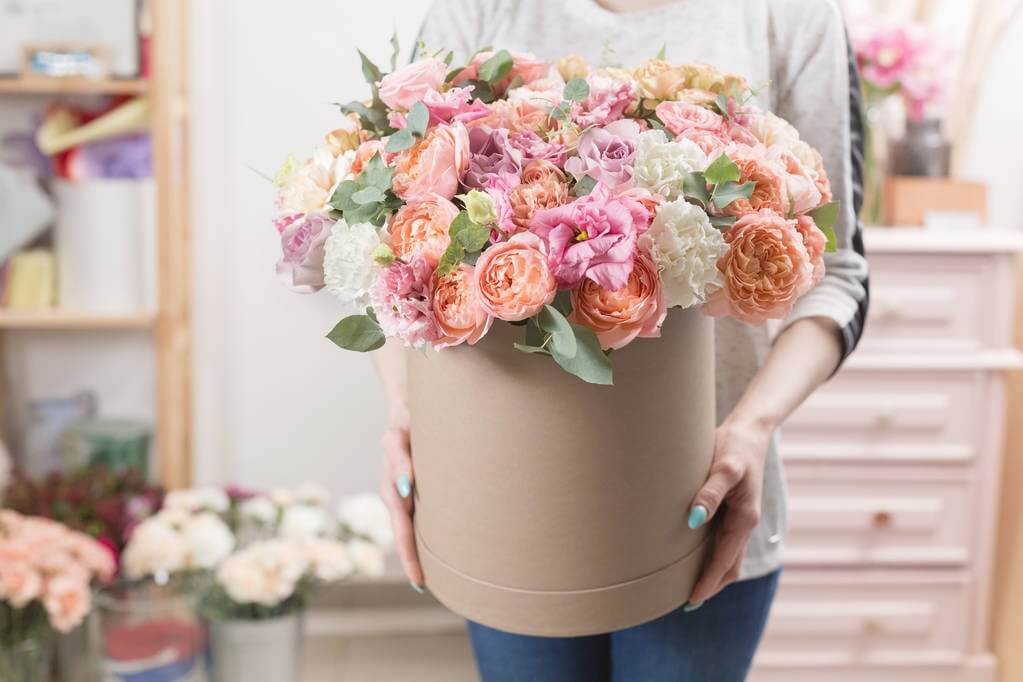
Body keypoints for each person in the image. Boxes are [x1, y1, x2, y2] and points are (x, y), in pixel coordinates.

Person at [372, 0, 870, 679]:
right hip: (505, 501)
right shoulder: (474, 9)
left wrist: (752, 430)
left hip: (703, 505)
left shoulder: (790, 15)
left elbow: (836, 272)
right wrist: (408, 416)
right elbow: (385, 244)